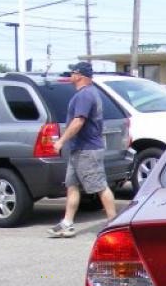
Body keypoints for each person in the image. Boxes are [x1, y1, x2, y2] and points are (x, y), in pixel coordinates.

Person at [46, 62, 117, 238]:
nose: (71, 74)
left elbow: (79, 121)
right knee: (72, 186)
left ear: (81, 76)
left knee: (99, 186)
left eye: (73, 72)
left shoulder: (85, 95)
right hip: (79, 149)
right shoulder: (86, 93)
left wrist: (61, 141)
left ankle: (115, 224)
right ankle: (67, 224)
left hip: (88, 150)